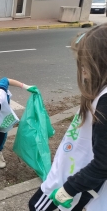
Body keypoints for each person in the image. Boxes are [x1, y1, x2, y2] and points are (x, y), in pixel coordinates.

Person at [29, 25, 107, 211]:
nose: (81, 68)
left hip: (73, 181)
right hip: (71, 173)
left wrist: (68, 190)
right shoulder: (99, 93)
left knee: (36, 207)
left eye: (83, 61)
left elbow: (103, 164)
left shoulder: (105, 103)